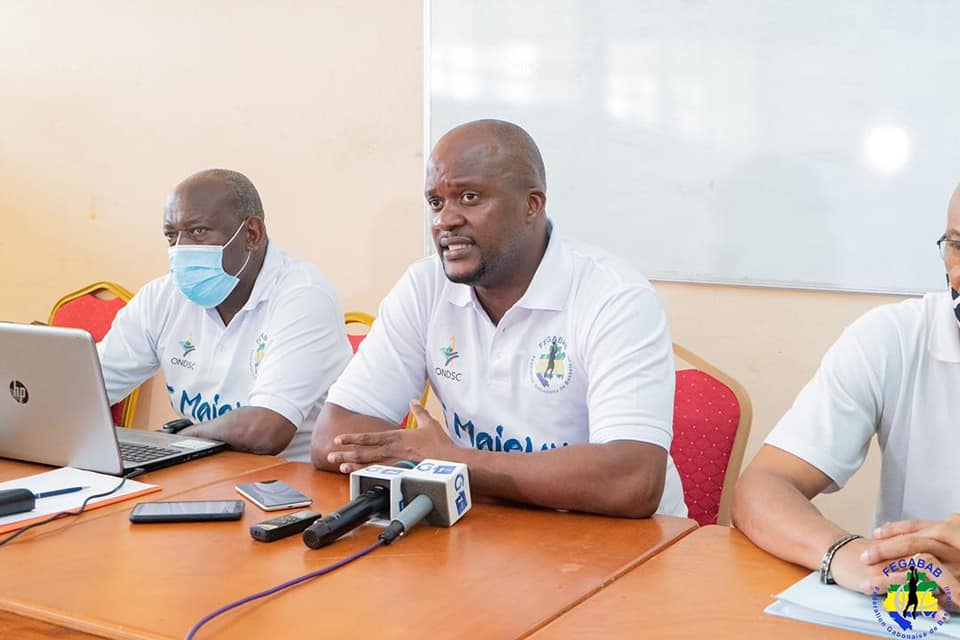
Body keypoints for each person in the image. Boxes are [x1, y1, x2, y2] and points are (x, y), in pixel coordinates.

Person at [310, 119, 686, 518]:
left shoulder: (614, 296)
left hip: (623, 548)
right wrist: (438, 462)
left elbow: (632, 480)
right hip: (490, 531)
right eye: (435, 203)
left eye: (469, 197)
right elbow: (332, 437)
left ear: (532, 205)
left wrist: (452, 462)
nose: (444, 220)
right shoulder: (425, 286)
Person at [732, 185, 960, 601]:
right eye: (959, 245)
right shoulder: (894, 338)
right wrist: (848, 555)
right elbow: (763, 487)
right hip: (920, 612)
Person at [97, 169, 353, 461]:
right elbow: (87, 388)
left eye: (198, 232)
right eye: (172, 236)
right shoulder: (163, 297)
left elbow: (266, 429)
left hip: (291, 484)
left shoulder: (304, 297)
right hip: (203, 470)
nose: (181, 250)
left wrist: (177, 443)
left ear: (251, 234)